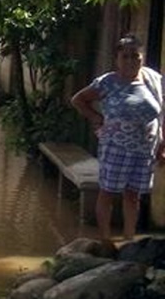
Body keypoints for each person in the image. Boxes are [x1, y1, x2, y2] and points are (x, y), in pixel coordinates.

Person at [71, 34, 165, 242]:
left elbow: (162, 113)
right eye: (125, 56)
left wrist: (162, 144)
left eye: (136, 56)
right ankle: (105, 240)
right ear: (117, 59)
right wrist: (96, 118)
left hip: (145, 149)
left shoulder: (153, 80)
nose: (131, 61)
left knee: (133, 195)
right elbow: (78, 100)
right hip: (116, 148)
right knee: (108, 193)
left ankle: (129, 239)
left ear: (142, 57)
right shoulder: (108, 82)